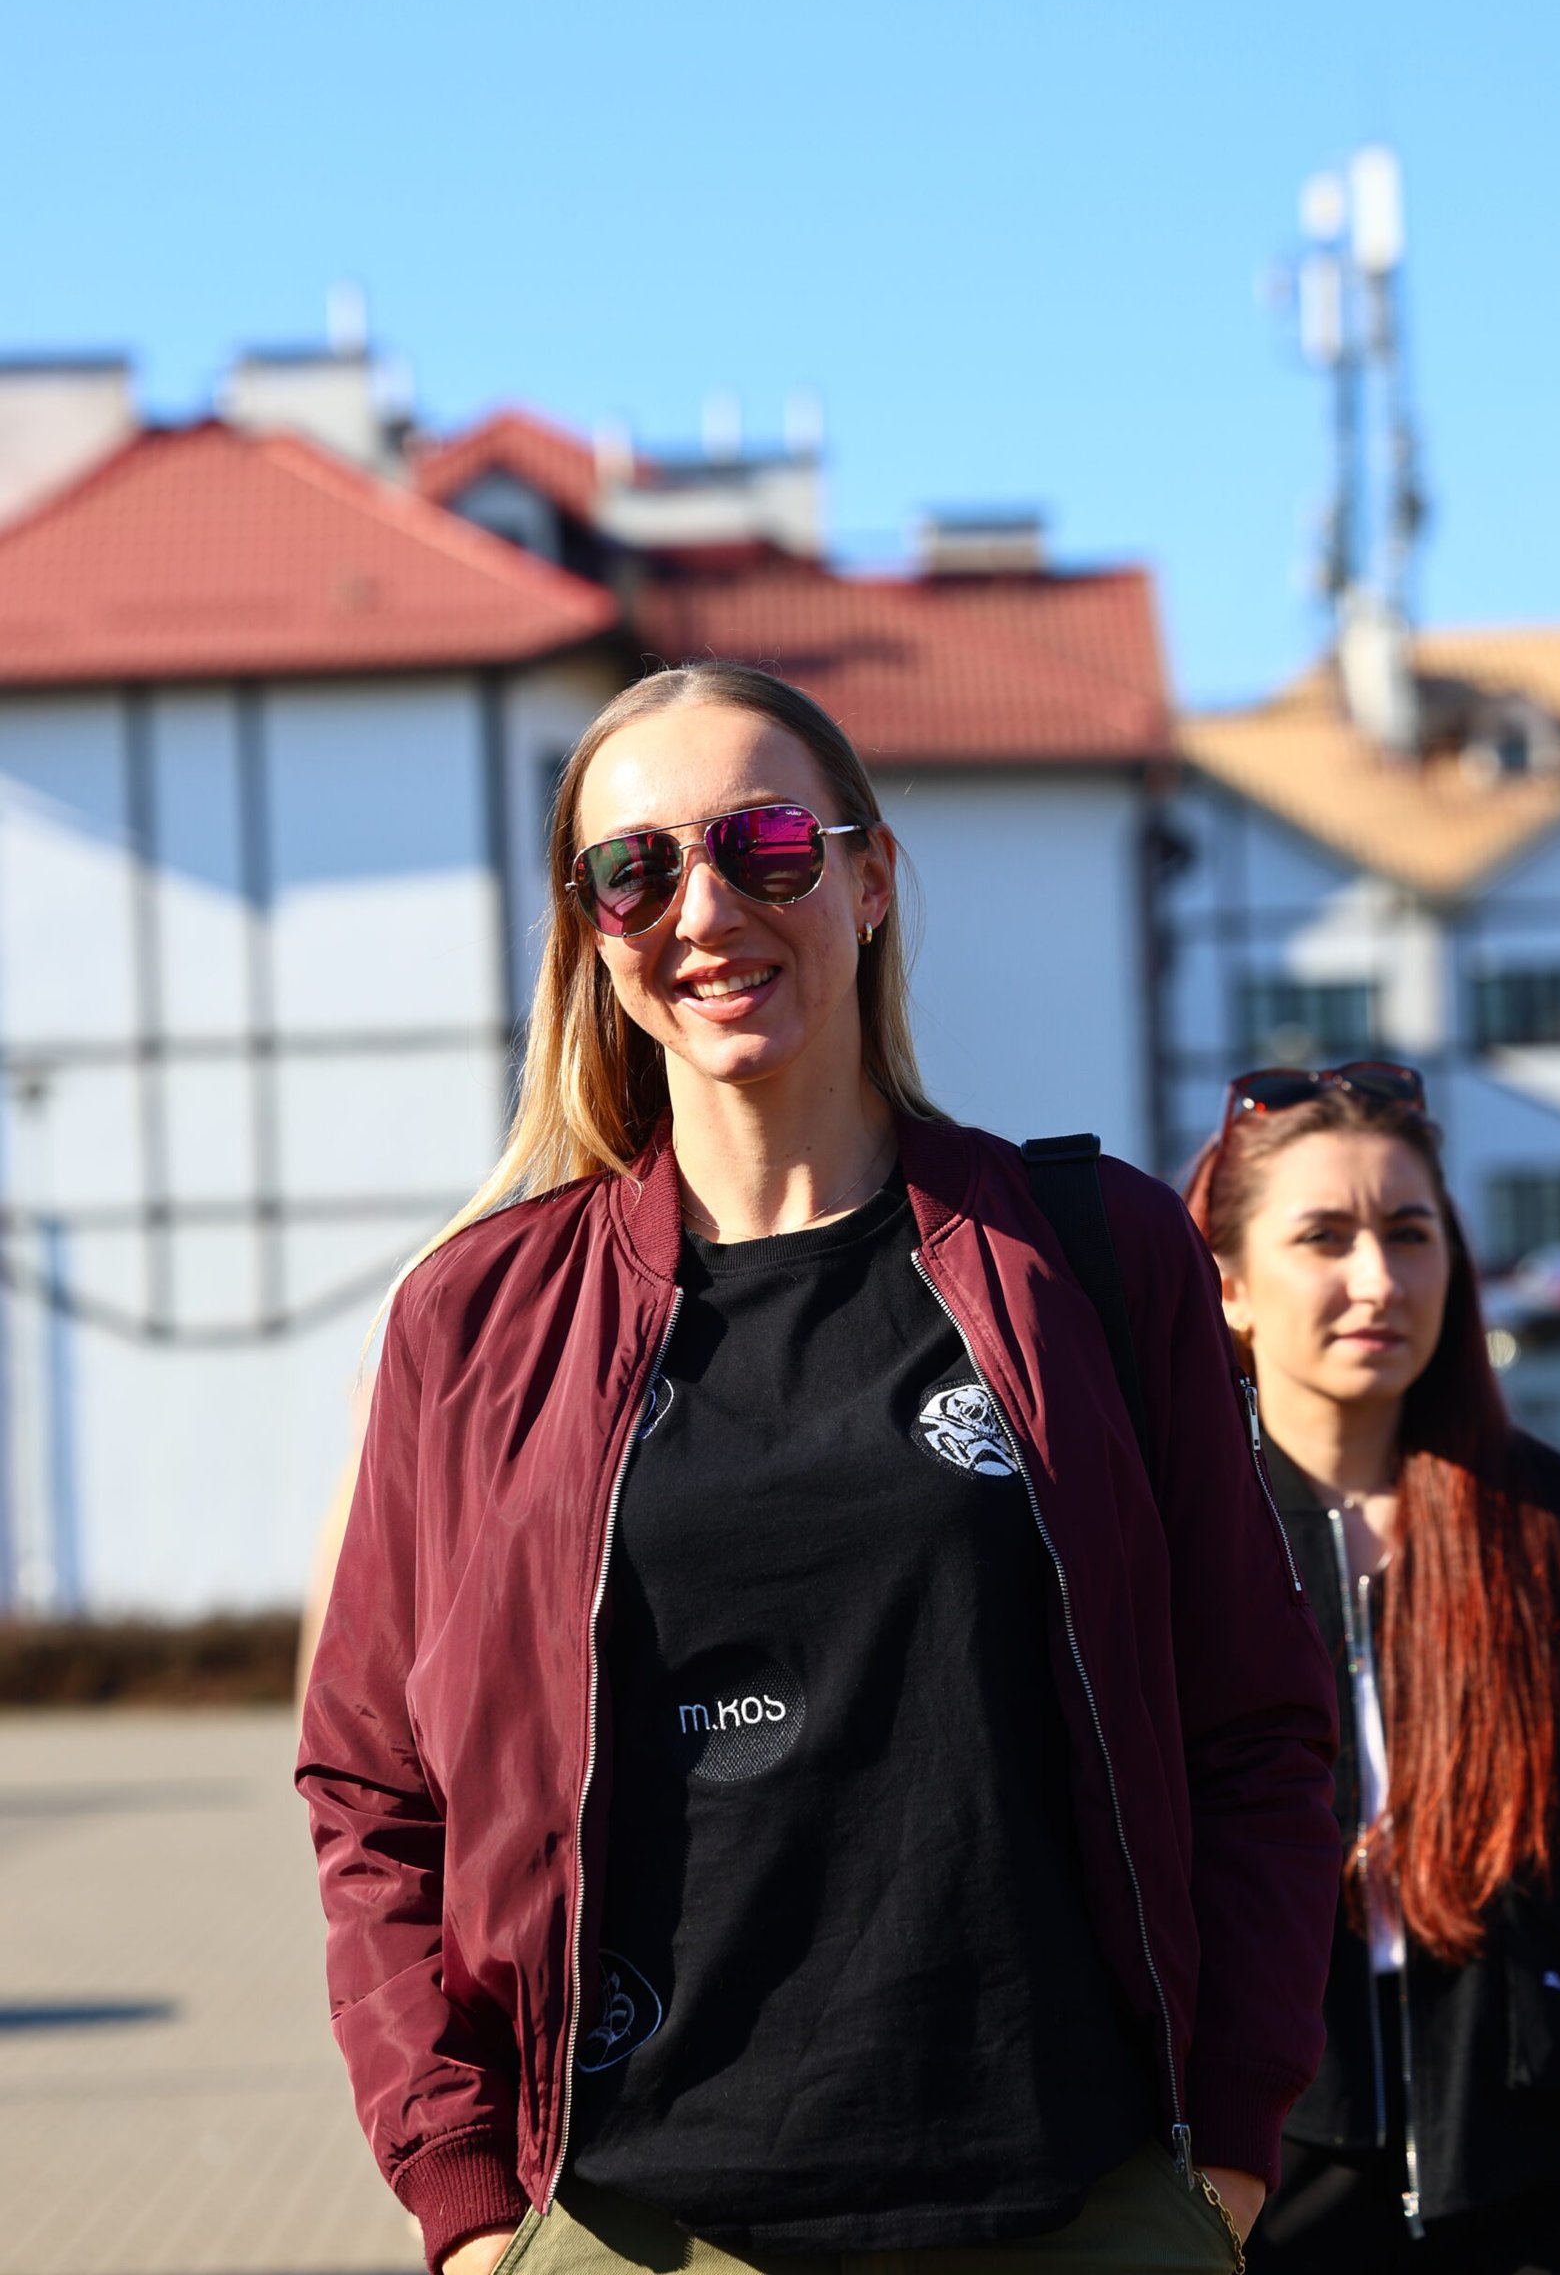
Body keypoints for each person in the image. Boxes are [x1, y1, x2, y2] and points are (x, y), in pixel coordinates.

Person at [297, 661, 1341, 2275]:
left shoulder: (1089, 1257)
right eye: (635, 869)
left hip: (1073, 2206)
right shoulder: (480, 1318)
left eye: (766, 843)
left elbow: (1258, 1724)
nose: (705, 909)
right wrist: (470, 2201)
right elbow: (373, 1788)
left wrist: (1226, 2156)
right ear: (592, 932)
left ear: (869, 879)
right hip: (629, 2224)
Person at [1184, 1064, 1560, 2274]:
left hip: (1540, 2171)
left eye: (1409, 1234)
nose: (1376, 1279)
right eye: (1323, 1237)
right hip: (1263, 2180)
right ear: (1227, 1285)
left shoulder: (1553, 1526)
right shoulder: (1162, 1547)